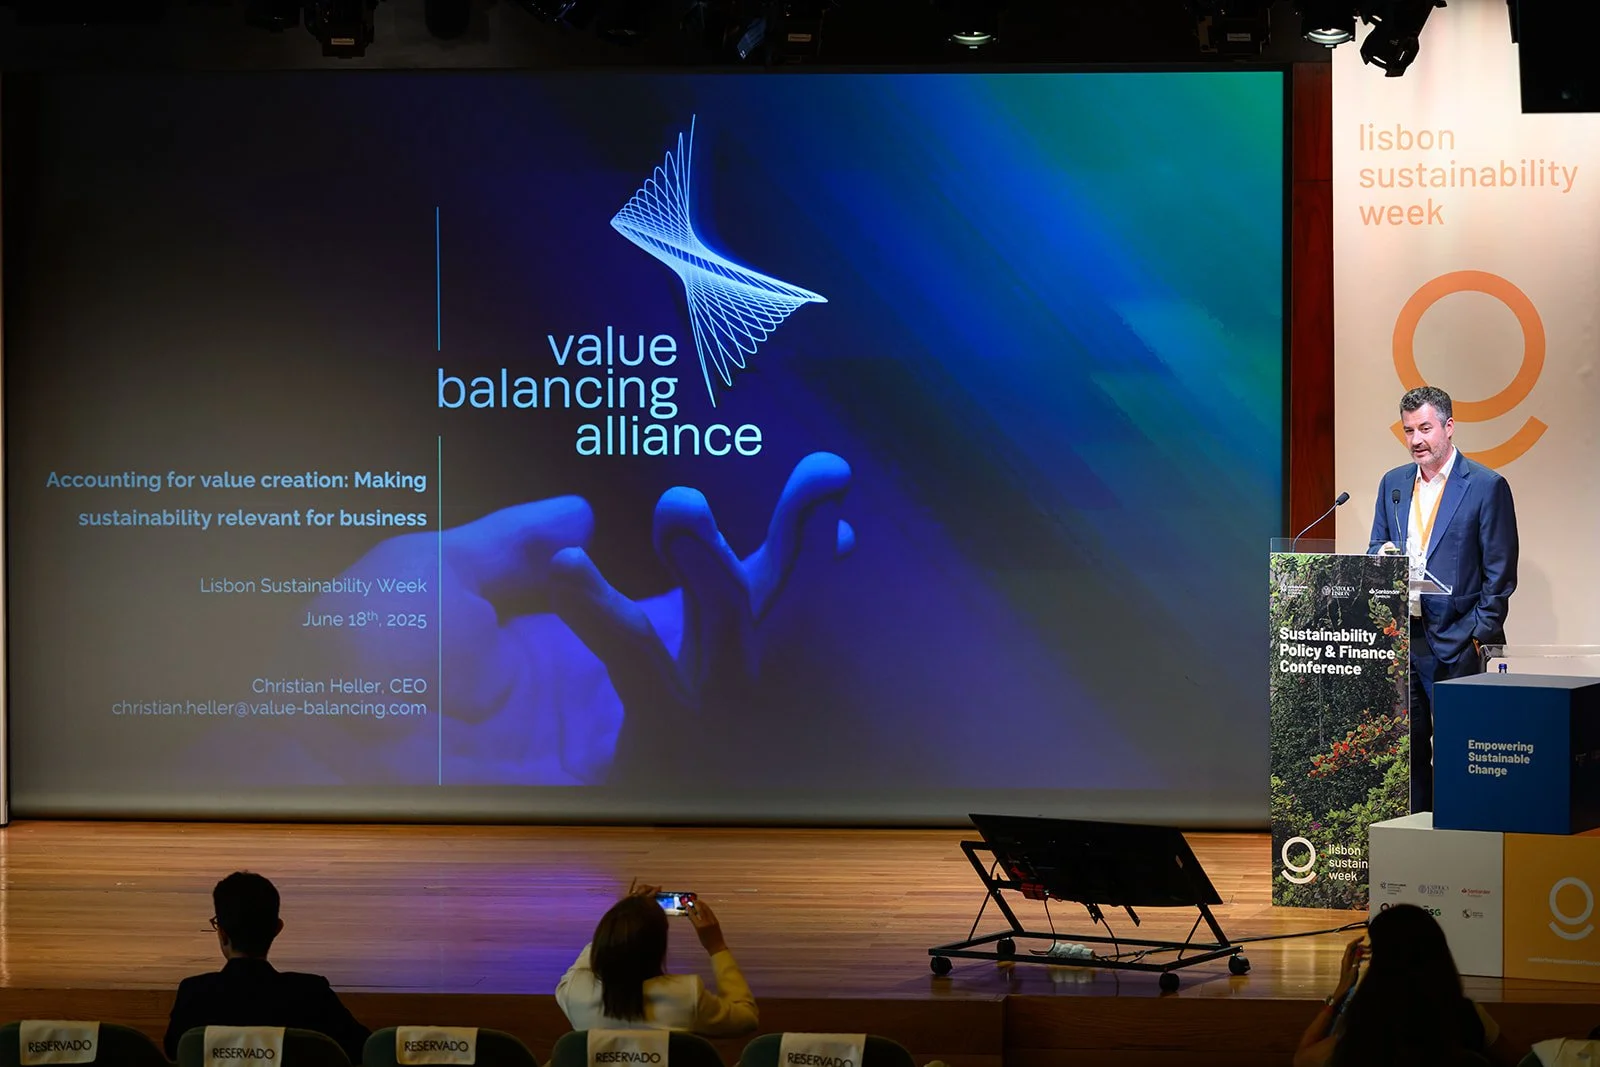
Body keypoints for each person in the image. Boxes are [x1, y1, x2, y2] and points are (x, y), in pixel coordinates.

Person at [1368, 386, 1518, 812]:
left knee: (1460, 749)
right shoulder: (1393, 484)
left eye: (1425, 429)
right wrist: (1380, 557)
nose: (1416, 440)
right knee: (1408, 751)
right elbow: (1375, 547)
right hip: (1404, 642)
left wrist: (1478, 634)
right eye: (1408, 430)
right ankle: (1416, 835)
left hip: (1459, 641)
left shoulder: (1486, 486)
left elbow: (1500, 573)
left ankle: (1461, 840)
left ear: (1449, 427)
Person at [163, 872, 370, 1062]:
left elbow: (174, 1050)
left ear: (222, 934)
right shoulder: (312, 994)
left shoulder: (194, 993)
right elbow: (365, 1048)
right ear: (277, 929)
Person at [1293, 904, 1519, 1067]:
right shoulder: (1467, 1014)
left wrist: (1340, 993)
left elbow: (1303, 1059)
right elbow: (1520, 1061)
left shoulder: (1367, 1023)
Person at [555, 882, 758, 1035]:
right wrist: (716, 947)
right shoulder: (687, 995)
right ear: (659, 946)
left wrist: (623, 918)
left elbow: (595, 956)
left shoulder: (573, 992)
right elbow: (746, 1017)